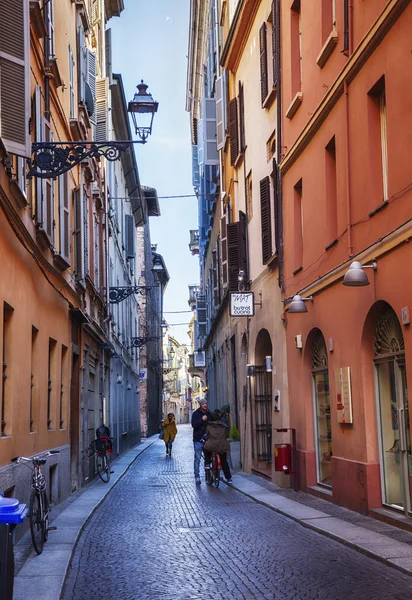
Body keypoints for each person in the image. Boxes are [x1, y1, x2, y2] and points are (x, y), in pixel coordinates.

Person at [204, 409, 232, 483]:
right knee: (224, 461)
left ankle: (207, 463)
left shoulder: (209, 426)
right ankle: (229, 478)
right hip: (221, 446)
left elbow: (207, 436)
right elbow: (227, 435)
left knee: (206, 449)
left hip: (212, 446)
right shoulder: (223, 426)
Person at [191, 397, 212, 484]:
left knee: (208, 458)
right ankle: (197, 476)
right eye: (203, 404)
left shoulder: (209, 413)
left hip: (208, 439)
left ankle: (208, 476)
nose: (205, 405)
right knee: (197, 459)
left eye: (206, 404)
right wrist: (201, 420)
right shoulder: (195, 414)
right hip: (198, 439)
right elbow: (194, 425)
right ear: (200, 405)